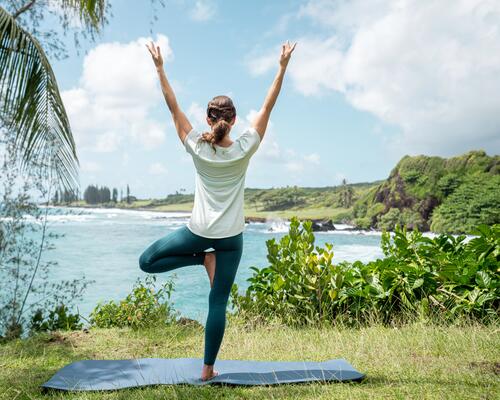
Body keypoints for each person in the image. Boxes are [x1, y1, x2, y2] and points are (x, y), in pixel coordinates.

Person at [140, 39, 297, 381]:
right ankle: (208, 369)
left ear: (208, 119)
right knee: (217, 303)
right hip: (231, 239)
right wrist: (282, 67)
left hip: (198, 232)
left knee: (147, 262)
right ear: (234, 119)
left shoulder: (198, 147)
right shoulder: (244, 148)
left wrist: (160, 68)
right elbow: (268, 107)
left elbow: (172, 107)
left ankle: (200, 258)